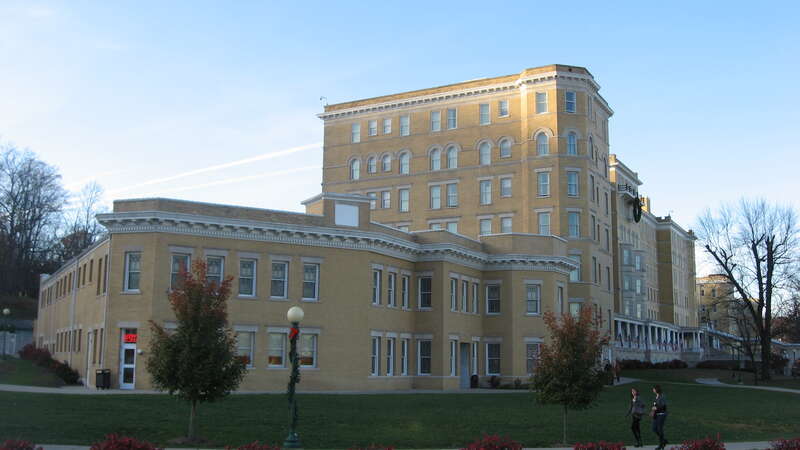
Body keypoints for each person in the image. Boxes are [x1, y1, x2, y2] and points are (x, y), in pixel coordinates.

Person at [651, 384, 668, 449]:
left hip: (661, 415)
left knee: (659, 429)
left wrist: (656, 408)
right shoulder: (656, 396)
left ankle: (661, 445)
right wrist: (652, 411)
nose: (653, 390)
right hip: (656, 415)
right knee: (654, 428)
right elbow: (655, 405)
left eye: (653, 389)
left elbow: (664, 407)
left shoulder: (662, 396)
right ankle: (664, 440)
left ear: (656, 389)